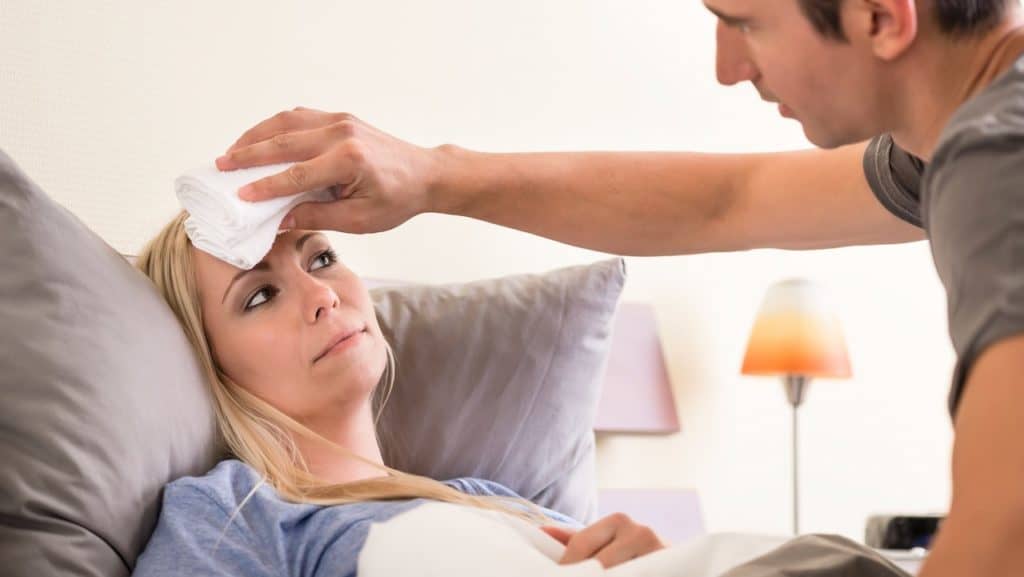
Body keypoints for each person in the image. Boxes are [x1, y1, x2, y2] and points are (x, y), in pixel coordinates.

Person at [212, 1, 1024, 575]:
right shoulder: (233, 516)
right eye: (257, 293)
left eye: (742, 21)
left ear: (881, 17)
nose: (725, 66)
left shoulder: (1000, 162)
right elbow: (726, 201)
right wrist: (432, 176)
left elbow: (1002, 533)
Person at [130, 212, 667, 577]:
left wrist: (654, 563)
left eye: (319, 259)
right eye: (261, 295)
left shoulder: (484, 496)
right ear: (209, 364)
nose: (322, 294)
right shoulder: (232, 513)